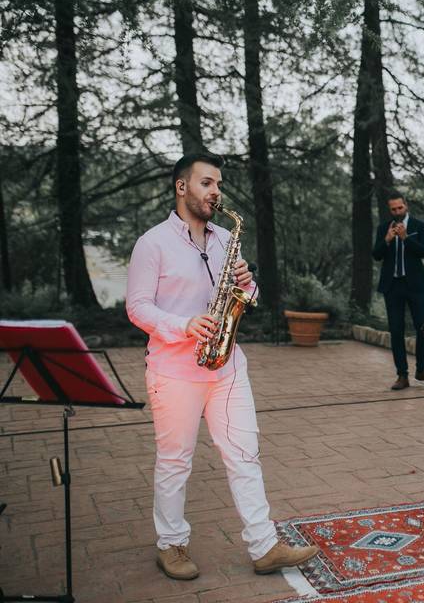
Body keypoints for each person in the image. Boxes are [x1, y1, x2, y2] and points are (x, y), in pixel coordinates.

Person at [126, 152, 319, 580]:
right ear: (182, 187)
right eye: (207, 183)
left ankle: (264, 545)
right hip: (174, 370)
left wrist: (248, 286)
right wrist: (184, 324)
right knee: (175, 461)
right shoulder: (152, 243)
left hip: (227, 366)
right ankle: (171, 544)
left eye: (218, 185)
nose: (216, 192)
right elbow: (137, 307)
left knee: (244, 455)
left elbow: (244, 298)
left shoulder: (221, 238)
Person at [372, 192, 424, 390]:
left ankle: (422, 369)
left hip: (415, 286)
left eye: (399, 208)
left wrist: (405, 238)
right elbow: (376, 255)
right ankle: (402, 375)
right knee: (396, 331)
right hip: (392, 286)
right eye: (393, 209)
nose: (397, 212)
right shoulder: (383, 228)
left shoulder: (419, 226)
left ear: (406, 206)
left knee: (423, 327)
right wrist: (386, 240)